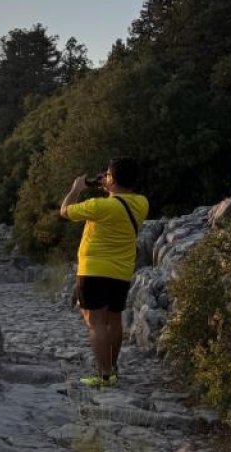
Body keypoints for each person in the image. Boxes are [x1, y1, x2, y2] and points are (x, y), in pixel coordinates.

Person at [58, 157, 148, 388]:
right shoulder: (141, 203)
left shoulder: (99, 206)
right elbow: (120, 201)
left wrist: (76, 188)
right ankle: (113, 368)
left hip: (94, 270)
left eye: (107, 175)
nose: (104, 178)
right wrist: (109, 185)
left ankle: (103, 375)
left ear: (114, 179)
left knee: (95, 323)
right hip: (121, 271)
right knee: (114, 321)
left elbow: (65, 211)